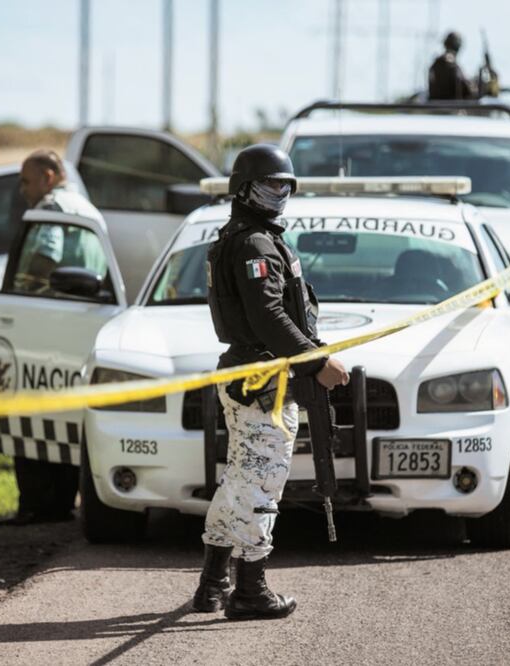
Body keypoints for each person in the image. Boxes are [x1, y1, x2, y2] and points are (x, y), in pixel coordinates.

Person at [192, 145, 348, 620]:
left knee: (238, 480)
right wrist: (314, 362)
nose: (279, 194)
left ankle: (213, 582)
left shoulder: (246, 238)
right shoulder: (255, 244)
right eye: (268, 185)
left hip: (251, 375)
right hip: (266, 380)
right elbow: (268, 317)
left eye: (286, 187)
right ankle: (250, 591)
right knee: (261, 485)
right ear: (243, 189)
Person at [0, 149, 95, 526]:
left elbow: (44, 259)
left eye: (27, 180)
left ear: (49, 177)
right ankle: (60, 502)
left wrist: (25, 287)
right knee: (66, 417)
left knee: (28, 411)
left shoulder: (51, 209)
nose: (22, 189)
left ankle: (37, 505)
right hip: (77, 326)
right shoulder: (85, 208)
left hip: (43, 324)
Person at [428, 31, 476, 101]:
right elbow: (466, 89)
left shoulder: (435, 64)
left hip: (435, 108)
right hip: (451, 108)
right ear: (457, 47)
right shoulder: (451, 64)